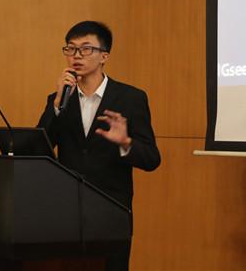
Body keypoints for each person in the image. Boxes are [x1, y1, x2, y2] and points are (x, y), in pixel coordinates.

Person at [37, 20, 161, 271]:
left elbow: (151, 158)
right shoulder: (59, 99)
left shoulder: (130, 98)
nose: (76, 56)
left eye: (85, 49)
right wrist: (57, 105)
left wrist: (125, 142)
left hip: (111, 212)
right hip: (66, 211)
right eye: (70, 48)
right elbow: (39, 149)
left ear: (104, 55)